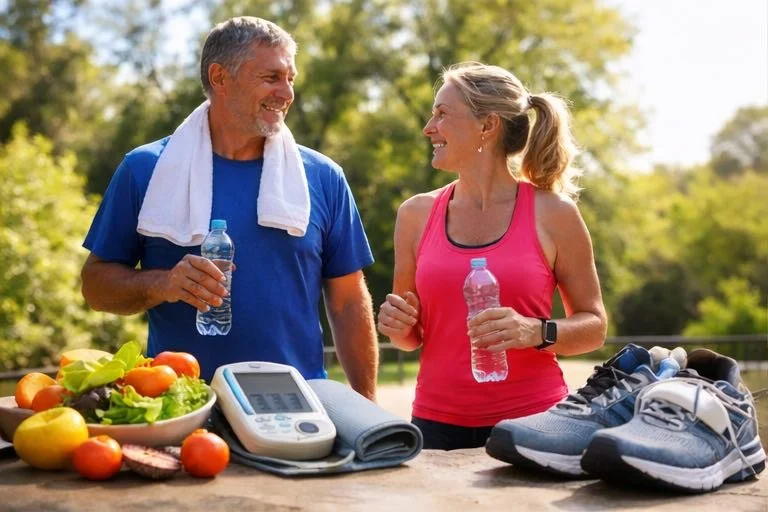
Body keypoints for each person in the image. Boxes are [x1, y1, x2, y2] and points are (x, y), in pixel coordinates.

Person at [80, 16, 378, 399]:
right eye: (271, 78)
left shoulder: (323, 177)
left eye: (291, 79)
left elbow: (349, 301)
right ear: (220, 78)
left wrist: (368, 409)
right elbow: (95, 286)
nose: (286, 93)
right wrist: (164, 283)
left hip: (299, 404)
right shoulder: (145, 169)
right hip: (181, 404)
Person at [377, 62, 608, 449]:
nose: (428, 127)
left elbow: (594, 326)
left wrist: (536, 331)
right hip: (435, 426)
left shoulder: (554, 213)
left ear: (487, 126)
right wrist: (396, 325)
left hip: (535, 424)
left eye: (443, 114)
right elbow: (409, 337)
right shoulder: (415, 215)